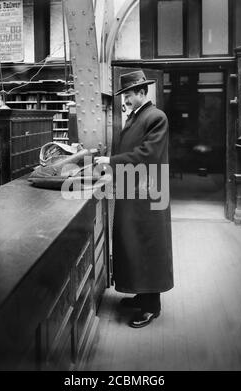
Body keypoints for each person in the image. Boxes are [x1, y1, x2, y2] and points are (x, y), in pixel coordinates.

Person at [94, 70, 173, 328]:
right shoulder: (137, 117)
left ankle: (152, 306)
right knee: (133, 243)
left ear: (142, 92)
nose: (125, 100)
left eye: (128, 95)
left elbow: (147, 154)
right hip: (133, 188)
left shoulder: (156, 117)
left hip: (148, 193)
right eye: (124, 96)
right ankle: (142, 294)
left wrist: (110, 161)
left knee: (148, 244)